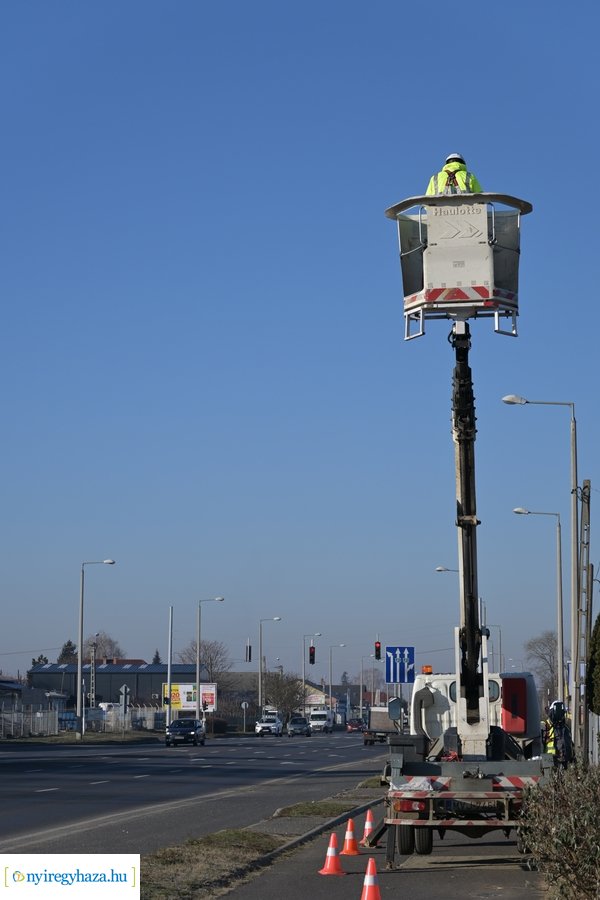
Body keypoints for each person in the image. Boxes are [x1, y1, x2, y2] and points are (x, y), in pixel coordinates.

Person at [543, 700, 573, 768]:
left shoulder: (566, 727)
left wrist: (572, 758)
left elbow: (570, 743)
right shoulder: (545, 726)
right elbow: (539, 746)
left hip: (565, 762)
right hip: (549, 762)